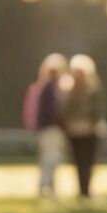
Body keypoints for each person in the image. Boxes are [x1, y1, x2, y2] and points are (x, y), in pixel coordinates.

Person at [60, 54, 107, 200]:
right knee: (85, 162)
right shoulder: (87, 89)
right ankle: (85, 191)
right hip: (84, 131)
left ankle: (84, 190)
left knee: (81, 162)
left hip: (78, 130)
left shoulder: (70, 89)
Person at [25, 53, 68, 197]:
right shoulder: (49, 89)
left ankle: (49, 187)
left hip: (48, 129)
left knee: (50, 159)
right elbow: (52, 112)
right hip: (50, 129)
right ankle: (46, 187)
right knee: (50, 160)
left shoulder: (49, 88)